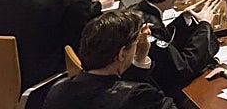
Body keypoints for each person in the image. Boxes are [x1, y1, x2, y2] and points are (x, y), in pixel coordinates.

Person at [44, 9, 175, 109]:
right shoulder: (140, 97)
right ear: (122, 53)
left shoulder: (57, 90)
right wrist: (140, 59)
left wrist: (138, 59)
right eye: (135, 44)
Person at [134, 0, 221, 107]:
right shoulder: (148, 28)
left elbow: (166, 46)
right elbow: (182, 68)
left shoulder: (139, 11)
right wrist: (205, 24)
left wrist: (186, 18)